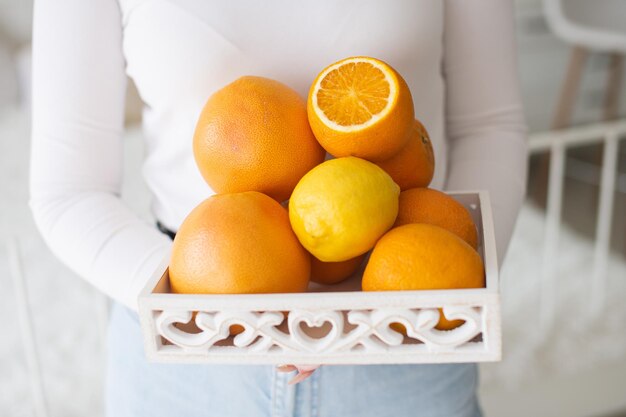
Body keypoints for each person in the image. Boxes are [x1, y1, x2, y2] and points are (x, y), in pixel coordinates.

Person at [30, 1, 527, 416]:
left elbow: (491, 126)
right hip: (186, 361)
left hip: (407, 342)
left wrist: (453, 294)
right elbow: (69, 191)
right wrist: (198, 308)